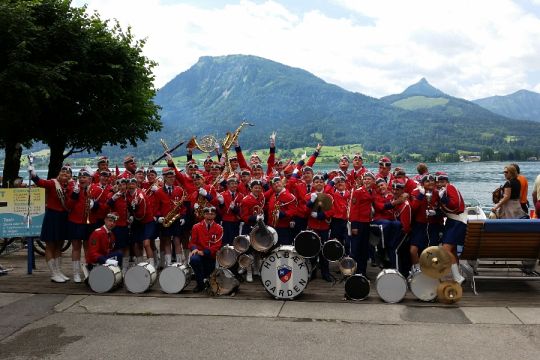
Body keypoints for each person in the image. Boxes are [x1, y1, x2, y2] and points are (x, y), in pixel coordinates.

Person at [29, 163, 72, 283]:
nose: (65, 174)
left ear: (70, 176)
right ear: (59, 173)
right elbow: (40, 182)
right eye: (63, 171)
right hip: (52, 216)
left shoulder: (69, 186)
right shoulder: (53, 183)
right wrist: (33, 174)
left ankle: (58, 271)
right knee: (50, 245)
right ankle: (53, 273)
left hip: (63, 218)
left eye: (68, 173)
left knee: (59, 245)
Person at [435, 172, 466, 284]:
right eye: (438, 182)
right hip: (452, 221)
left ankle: (458, 278)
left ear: (447, 182)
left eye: (442, 182)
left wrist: (443, 198)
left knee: (445, 249)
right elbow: (447, 209)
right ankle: (456, 276)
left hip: (457, 221)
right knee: (452, 250)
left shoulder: (450, 188)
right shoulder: (442, 191)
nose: (440, 184)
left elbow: (455, 204)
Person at [189, 206, 223, 292]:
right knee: (194, 259)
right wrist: (194, 249)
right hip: (199, 253)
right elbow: (192, 242)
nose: (209, 216)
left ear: (215, 216)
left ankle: (206, 280)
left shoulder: (219, 228)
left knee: (208, 272)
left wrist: (204, 252)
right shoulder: (196, 227)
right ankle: (200, 284)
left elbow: (217, 245)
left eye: (212, 214)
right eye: (207, 214)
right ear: (204, 215)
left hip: (211, 255)